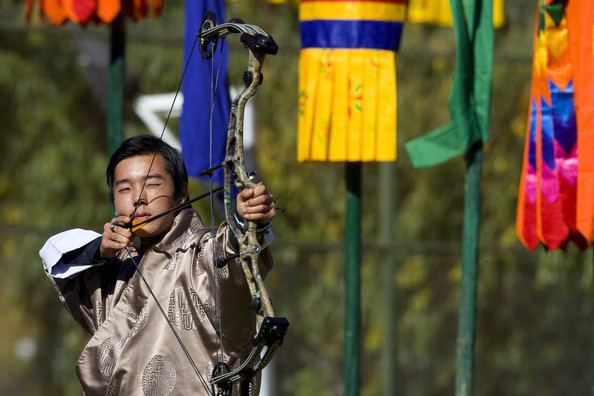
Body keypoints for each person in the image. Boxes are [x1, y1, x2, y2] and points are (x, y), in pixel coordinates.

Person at [39, 135, 276, 396]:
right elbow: (55, 257)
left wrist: (249, 221)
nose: (138, 198)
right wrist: (101, 250)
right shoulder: (113, 272)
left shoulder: (202, 254)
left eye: (151, 184)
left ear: (181, 192)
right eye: (124, 189)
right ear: (114, 201)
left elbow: (231, 252)